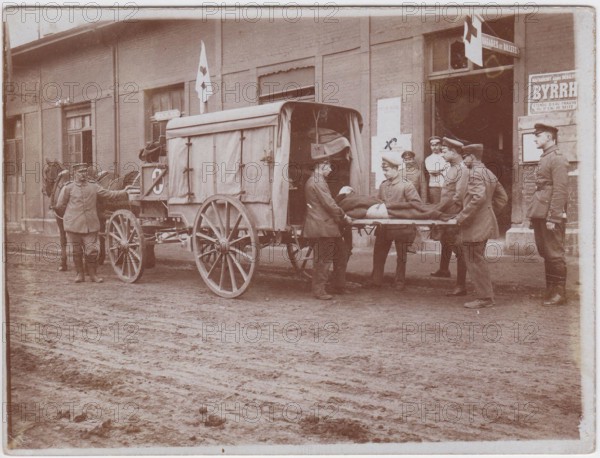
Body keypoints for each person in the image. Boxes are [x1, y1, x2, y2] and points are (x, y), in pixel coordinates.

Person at [450, 144, 508, 309]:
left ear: (472, 157)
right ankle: (485, 296)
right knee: (477, 259)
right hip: (483, 222)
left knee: (475, 260)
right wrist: (488, 213)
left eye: (465, 156)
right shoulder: (489, 173)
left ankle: (485, 298)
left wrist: (462, 217)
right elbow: (502, 198)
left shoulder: (474, 173)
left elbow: (477, 198)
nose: (464, 159)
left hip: (474, 225)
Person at [55, 163, 130, 283]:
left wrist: (123, 192)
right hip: (73, 226)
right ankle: (79, 274)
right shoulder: (68, 188)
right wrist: (69, 217)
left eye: (85, 171)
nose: (83, 174)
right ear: (75, 173)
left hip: (91, 224)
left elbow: (109, 194)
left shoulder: (94, 186)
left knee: (91, 251)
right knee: (77, 251)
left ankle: (93, 275)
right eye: (80, 172)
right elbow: (59, 205)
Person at [526, 123, 569, 306]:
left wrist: (554, 216)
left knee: (554, 253)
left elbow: (560, 190)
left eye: (539, 135)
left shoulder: (557, 158)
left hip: (549, 213)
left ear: (549, 137)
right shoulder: (546, 157)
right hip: (540, 212)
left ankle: (559, 293)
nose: (535, 138)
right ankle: (550, 290)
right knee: (545, 251)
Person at [303, 149, 353, 300]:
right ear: (322, 166)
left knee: (342, 254)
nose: (331, 170)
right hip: (322, 227)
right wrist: (344, 216)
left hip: (327, 226)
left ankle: (338, 286)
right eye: (329, 166)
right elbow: (329, 204)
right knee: (323, 259)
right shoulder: (317, 181)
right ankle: (319, 290)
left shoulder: (318, 181)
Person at [369, 150, 422, 290]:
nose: (385, 173)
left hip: (401, 227)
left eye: (387, 170)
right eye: (383, 170)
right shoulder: (383, 185)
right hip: (384, 227)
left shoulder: (406, 185)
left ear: (395, 169)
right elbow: (378, 201)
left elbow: (416, 204)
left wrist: (394, 206)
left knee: (401, 257)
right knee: (379, 255)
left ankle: (399, 281)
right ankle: (376, 280)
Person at [432, 138, 468, 296]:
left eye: (445, 151)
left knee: (459, 249)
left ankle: (461, 285)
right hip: (447, 212)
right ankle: (445, 270)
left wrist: (439, 210)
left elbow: (458, 197)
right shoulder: (453, 167)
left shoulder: (461, 169)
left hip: (453, 213)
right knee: (447, 242)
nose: (442, 153)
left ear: (454, 152)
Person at [424, 136, 447, 204]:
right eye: (432, 145)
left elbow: (448, 170)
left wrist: (439, 171)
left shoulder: (446, 156)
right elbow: (431, 171)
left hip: (445, 185)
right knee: (436, 205)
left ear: (440, 145)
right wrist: (442, 170)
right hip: (434, 186)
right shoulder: (428, 159)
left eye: (436, 145)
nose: (434, 147)